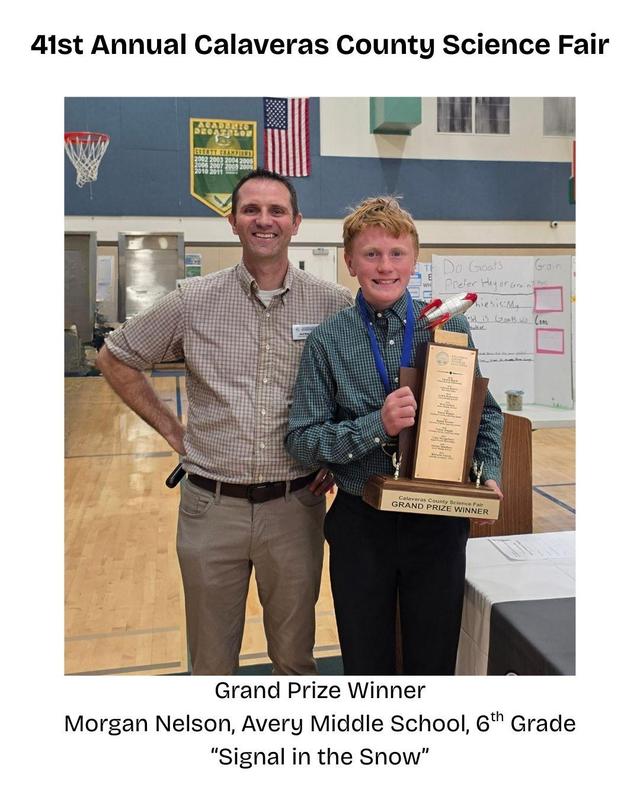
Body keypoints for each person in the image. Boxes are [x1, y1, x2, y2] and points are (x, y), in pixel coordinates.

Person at [96, 168, 352, 675]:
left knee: (295, 661)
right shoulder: (193, 300)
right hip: (211, 509)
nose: (264, 220)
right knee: (211, 666)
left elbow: (359, 383)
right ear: (232, 221)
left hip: (295, 508)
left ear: (296, 222)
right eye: (251, 210)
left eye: (276, 210)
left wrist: (336, 454)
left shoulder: (332, 303)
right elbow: (115, 356)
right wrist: (174, 432)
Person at [286, 197, 503, 675]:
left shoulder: (449, 326)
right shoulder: (329, 339)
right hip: (362, 523)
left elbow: (485, 414)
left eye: (397, 254)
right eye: (371, 254)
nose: (385, 267)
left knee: (435, 659)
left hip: (439, 518)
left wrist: (486, 475)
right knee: (366, 662)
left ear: (415, 258)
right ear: (349, 261)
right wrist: (375, 426)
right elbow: (301, 439)